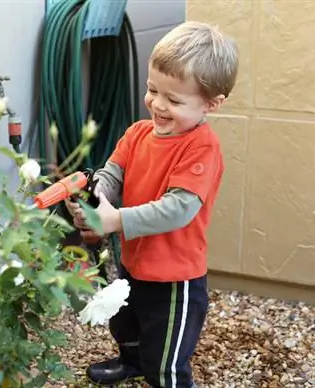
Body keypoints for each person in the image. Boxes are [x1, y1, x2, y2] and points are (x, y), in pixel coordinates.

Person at [65, 21, 239, 388]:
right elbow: (112, 174)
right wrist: (96, 200)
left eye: (174, 100)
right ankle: (131, 362)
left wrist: (115, 221)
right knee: (124, 322)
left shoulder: (201, 149)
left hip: (175, 278)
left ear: (212, 103)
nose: (157, 104)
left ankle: (163, 376)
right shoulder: (137, 133)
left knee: (167, 353)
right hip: (134, 263)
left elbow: (178, 209)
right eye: (152, 90)